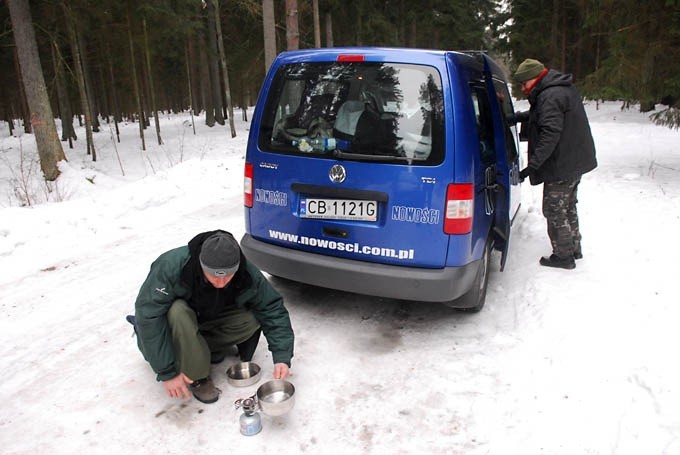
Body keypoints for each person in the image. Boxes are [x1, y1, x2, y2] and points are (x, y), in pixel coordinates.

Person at [128, 230, 294, 404]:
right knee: (177, 311)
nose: (221, 283)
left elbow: (271, 308)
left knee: (251, 318)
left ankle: (199, 349)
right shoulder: (170, 266)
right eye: (214, 276)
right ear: (201, 265)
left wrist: (282, 356)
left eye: (228, 276)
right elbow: (149, 317)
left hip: (207, 319)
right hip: (179, 323)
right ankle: (198, 376)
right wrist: (168, 373)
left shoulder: (246, 271)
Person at [513, 58, 597, 270]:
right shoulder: (556, 89)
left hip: (563, 163)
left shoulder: (550, 95)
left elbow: (550, 133)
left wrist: (531, 167)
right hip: (574, 160)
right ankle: (573, 248)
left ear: (534, 78)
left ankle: (563, 256)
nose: (523, 88)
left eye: (524, 83)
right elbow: (541, 115)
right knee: (567, 206)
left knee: (554, 209)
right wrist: (516, 118)